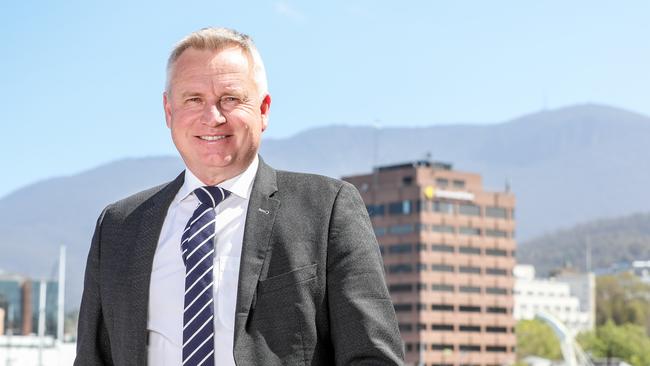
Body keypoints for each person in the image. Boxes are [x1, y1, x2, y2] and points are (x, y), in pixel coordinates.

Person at [74, 27, 403, 366]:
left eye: (230, 99)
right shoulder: (119, 226)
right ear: (169, 112)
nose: (213, 117)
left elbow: (372, 357)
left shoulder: (327, 209)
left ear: (263, 110)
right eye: (194, 99)